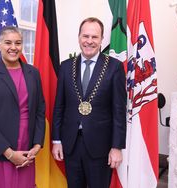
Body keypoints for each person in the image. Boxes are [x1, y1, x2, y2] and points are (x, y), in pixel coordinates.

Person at [52, 17, 127, 188]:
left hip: (101, 146)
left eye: (94, 37)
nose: (89, 41)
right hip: (70, 144)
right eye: (85, 36)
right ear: (79, 37)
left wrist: (117, 147)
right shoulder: (65, 66)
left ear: (101, 40)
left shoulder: (114, 67)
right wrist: (56, 140)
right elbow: (59, 106)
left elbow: (119, 111)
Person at [0, 26, 45, 188]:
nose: (13, 47)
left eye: (18, 43)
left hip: (26, 151)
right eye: (8, 43)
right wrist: (9, 153)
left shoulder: (33, 73)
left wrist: (37, 145)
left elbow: (40, 111)